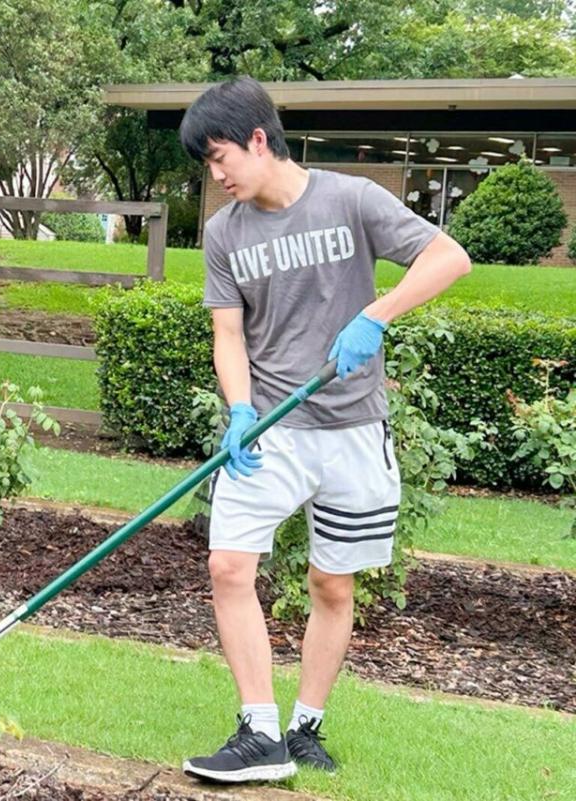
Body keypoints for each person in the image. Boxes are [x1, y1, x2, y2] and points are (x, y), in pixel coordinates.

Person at [177, 77, 471, 782]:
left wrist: (377, 314)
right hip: (271, 430)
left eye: (220, 157)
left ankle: (307, 723)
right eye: (206, 165)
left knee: (332, 584)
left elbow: (449, 257)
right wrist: (240, 409)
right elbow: (228, 333)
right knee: (227, 567)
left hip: (351, 429)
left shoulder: (350, 199)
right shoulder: (225, 234)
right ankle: (259, 732)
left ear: (257, 138)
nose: (215, 177)